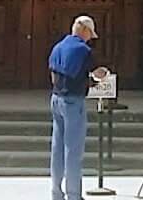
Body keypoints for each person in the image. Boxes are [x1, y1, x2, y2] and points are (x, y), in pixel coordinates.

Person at [47, 15, 106, 200]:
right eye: (90, 34)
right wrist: (103, 74)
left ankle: (56, 193)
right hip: (73, 102)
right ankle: (74, 195)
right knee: (73, 150)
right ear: (85, 30)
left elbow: (53, 73)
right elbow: (97, 72)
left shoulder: (58, 47)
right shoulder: (83, 50)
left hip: (56, 99)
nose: (91, 39)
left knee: (57, 149)